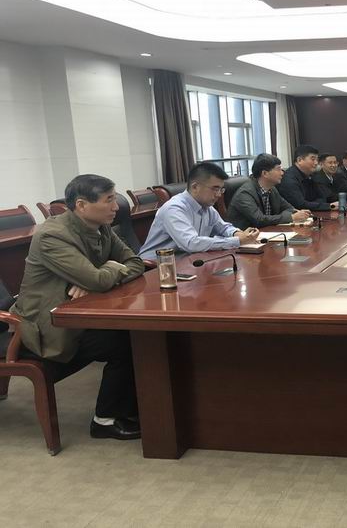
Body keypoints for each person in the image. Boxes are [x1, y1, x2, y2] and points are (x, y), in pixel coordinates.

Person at [10, 174, 145, 440]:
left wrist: (97, 278)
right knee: (124, 341)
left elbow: (135, 262)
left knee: (137, 334)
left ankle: (131, 407)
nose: (116, 206)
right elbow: (98, 279)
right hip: (45, 326)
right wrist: (105, 271)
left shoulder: (101, 227)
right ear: (82, 205)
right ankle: (105, 420)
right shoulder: (52, 235)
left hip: (76, 314)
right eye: (109, 200)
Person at [139, 162, 259, 259]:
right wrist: (237, 241)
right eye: (215, 189)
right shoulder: (174, 209)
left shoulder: (207, 207)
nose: (219, 195)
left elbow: (223, 227)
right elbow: (191, 243)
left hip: (189, 261)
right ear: (195, 187)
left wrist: (238, 234)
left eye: (221, 189)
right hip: (156, 268)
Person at [226, 153, 312, 229]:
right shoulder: (245, 193)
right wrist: (291, 217)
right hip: (245, 238)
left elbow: (288, 208)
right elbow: (259, 220)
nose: (282, 173)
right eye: (278, 169)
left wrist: (298, 213)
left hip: (266, 233)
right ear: (265, 173)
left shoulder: (272, 189)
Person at [276, 144, 339, 211]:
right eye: (313, 159)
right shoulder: (289, 179)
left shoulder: (310, 175)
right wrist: (329, 206)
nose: (316, 163)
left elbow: (322, 197)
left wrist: (313, 204)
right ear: (299, 160)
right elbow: (300, 204)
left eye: (317, 160)